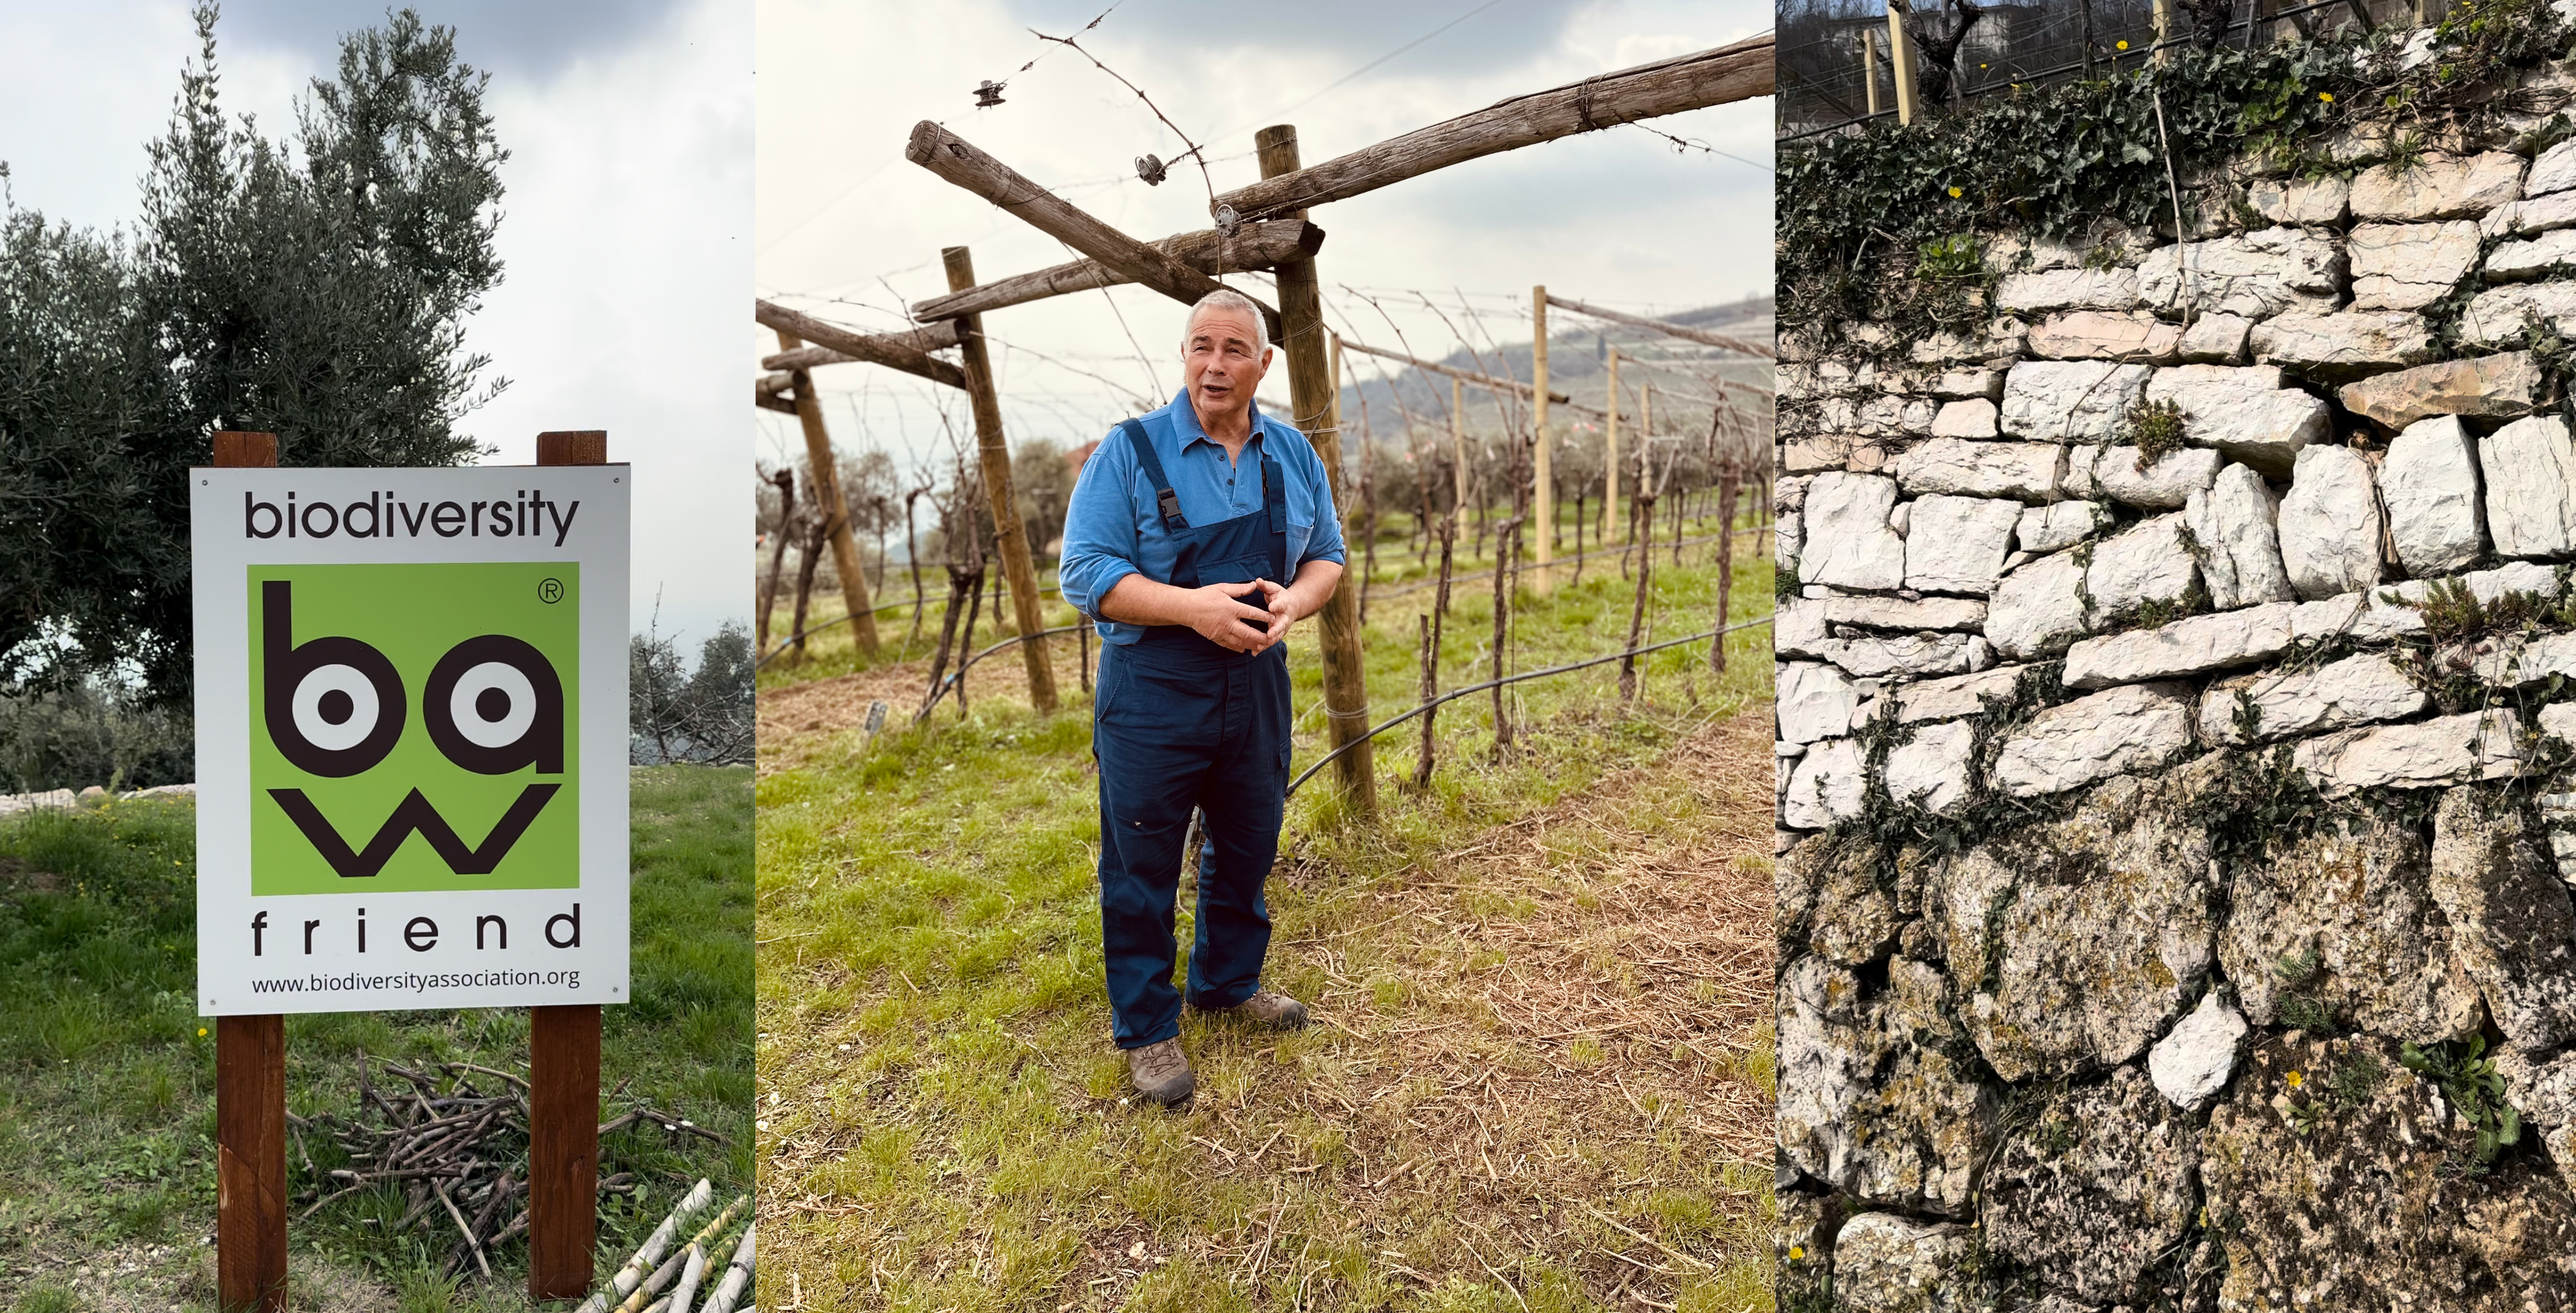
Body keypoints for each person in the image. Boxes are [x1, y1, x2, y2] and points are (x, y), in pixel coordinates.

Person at [1057, 286, 1347, 1106]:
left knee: (1250, 838)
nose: (1213, 365)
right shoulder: (1132, 452)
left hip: (1256, 682)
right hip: (1155, 688)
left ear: (1264, 362)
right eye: (1199, 346)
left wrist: (1294, 601)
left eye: (1232, 349)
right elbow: (1085, 574)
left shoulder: (1292, 453)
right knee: (1141, 860)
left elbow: (1327, 555)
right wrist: (1196, 608)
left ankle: (1227, 981)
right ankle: (1148, 1029)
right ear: (1183, 355)